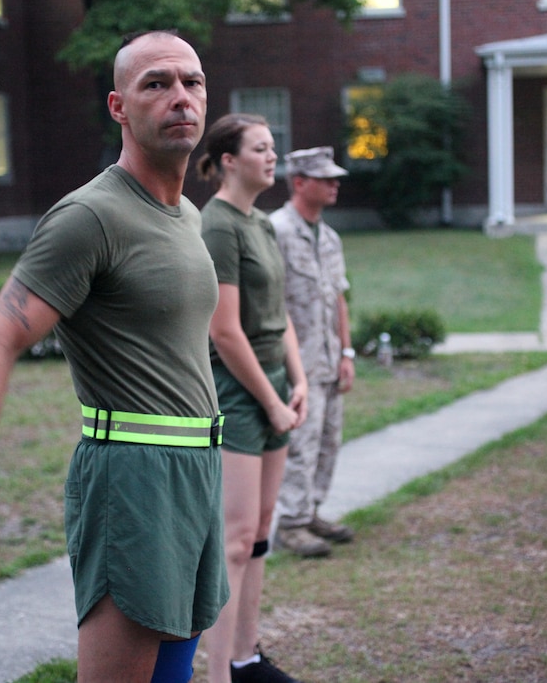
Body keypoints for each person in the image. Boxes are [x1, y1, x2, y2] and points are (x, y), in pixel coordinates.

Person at [0, 30, 227, 683]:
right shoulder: (90, 216)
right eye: (157, 84)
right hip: (133, 477)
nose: (180, 97)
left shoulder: (186, 216)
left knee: (173, 672)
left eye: (192, 81)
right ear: (119, 107)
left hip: (197, 469)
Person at [196, 113, 309, 683]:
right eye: (261, 148)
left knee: (260, 529)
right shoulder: (217, 225)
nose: (273, 157)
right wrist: (270, 401)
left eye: (274, 146)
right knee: (234, 540)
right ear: (227, 161)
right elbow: (225, 331)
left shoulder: (261, 223)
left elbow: (279, 312)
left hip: (274, 389)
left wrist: (299, 379)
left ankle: (246, 659)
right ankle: (218, 675)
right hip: (237, 396)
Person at [270, 147, 356, 558]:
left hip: (328, 357)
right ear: (300, 182)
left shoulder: (330, 236)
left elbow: (338, 296)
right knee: (301, 444)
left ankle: (312, 511)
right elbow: (272, 304)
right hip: (296, 362)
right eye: (326, 179)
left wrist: (347, 352)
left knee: (328, 441)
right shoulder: (277, 231)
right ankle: (291, 523)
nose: (335, 184)